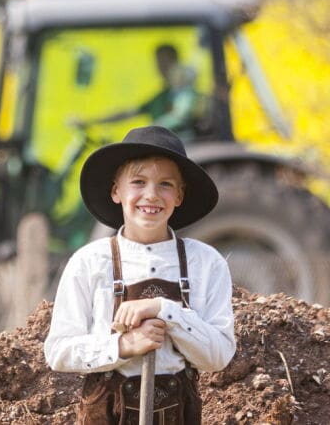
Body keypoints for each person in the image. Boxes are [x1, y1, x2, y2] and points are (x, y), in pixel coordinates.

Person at [44, 125, 235, 424]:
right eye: (138, 181)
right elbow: (58, 351)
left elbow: (219, 356)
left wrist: (166, 312)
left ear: (180, 195)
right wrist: (123, 346)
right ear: (116, 190)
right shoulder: (90, 262)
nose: (151, 195)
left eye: (166, 184)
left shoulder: (206, 264)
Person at [72, 44, 201, 138]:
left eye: (166, 62)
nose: (162, 67)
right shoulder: (162, 96)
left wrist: (147, 132)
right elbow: (129, 113)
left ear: (175, 63)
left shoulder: (186, 93)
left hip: (184, 150)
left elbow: (179, 116)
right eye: (159, 62)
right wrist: (92, 122)